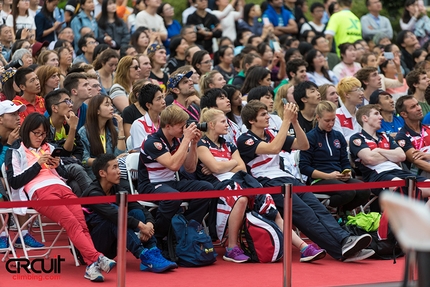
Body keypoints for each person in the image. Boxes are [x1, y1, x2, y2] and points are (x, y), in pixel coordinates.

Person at [237, 100, 375, 261]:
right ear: (252, 121)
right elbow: (273, 148)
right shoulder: (245, 139)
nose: (268, 116)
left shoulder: (273, 133)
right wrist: (286, 121)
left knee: (319, 209)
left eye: (267, 113)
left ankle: (345, 240)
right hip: (268, 183)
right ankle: (340, 251)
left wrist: (294, 123)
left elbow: (303, 145)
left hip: (287, 178)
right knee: (306, 215)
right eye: (263, 115)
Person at [197, 107, 326, 263]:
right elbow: (217, 169)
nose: (227, 125)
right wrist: (229, 163)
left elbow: (241, 167)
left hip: (239, 180)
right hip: (221, 186)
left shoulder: (229, 145)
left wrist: (223, 163)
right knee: (242, 198)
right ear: (211, 125)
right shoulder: (202, 144)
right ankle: (231, 248)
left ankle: (304, 247)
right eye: (223, 121)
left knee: (270, 205)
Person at [5, 112, 117, 282]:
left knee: (81, 224)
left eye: (43, 134)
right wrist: (38, 164)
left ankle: (91, 265)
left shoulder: (49, 147)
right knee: (70, 222)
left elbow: (65, 175)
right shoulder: (15, 150)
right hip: (39, 191)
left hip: (62, 187)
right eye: (36, 133)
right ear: (27, 130)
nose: (40, 137)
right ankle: (96, 258)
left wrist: (58, 167)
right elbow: (14, 181)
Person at [82, 153, 178, 272]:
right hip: (92, 247)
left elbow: (140, 208)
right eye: (114, 167)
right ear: (102, 173)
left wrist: (149, 224)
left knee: (136, 212)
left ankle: (153, 252)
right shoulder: (93, 193)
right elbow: (114, 215)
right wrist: (141, 226)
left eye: (118, 166)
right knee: (115, 218)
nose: (119, 171)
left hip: (111, 245)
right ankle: (143, 255)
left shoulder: (118, 189)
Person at [137, 104, 212, 239]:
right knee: (173, 197)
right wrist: (186, 140)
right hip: (150, 185)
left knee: (206, 188)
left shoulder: (177, 140)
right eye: (181, 126)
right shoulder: (152, 142)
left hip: (170, 183)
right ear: (168, 126)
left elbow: (190, 168)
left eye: (185, 125)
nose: (184, 129)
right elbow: (174, 165)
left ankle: (186, 229)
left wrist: (193, 144)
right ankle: (158, 237)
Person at [350, 104, 430, 203]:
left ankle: (423, 218)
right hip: (378, 176)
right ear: (365, 118)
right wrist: (391, 156)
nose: (381, 117)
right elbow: (370, 159)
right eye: (376, 114)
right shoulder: (357, 138)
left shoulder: (386, 136)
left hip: (398, 171)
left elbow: (401, 156)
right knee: (403, 188)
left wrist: (379, 151)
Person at [300, 100, 370, 213]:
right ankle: (327, 208)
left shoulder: (338, 136)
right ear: (317, 118)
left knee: (364, 190)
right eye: (327, 120)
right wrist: (327, 176)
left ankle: (343, 213)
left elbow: (344, 160)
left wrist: (346, 172)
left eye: (333, 120)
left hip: (338, 177)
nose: (331, 124)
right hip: (319, 179)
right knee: (347, 192)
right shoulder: (310, 137)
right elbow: (304, 167)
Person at [78, 94, 126, 180]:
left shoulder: (114, 130)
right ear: (97, 111)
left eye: (111, 105)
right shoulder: (84, 132)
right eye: (107, 105)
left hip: (113, 173)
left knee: (126, 186)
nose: (112, 108)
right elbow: (84, 160)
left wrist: (121, 129)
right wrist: (107, 162)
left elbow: (120, 155)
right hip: (94, 174)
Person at [396, 95, 430, 178]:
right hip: (421, 177)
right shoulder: (401, 137)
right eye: (413, 107)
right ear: (404, 114)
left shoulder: (428, 128)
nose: (419, 108)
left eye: (417, 104)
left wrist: (428, 156)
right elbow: (418, 162)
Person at [130, 83, 166, 150]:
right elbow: (142, 151)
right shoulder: (138, 125)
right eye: (159, 99)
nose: (163, 101)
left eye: (163, 97)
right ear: (148, 105)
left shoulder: (166, 122)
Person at [333, 76, 363, 143]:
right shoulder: (336, 116)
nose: (362, 93)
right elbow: (340, 142)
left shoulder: (362, 114)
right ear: (347, 95)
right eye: (357, 90)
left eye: (361, 89)